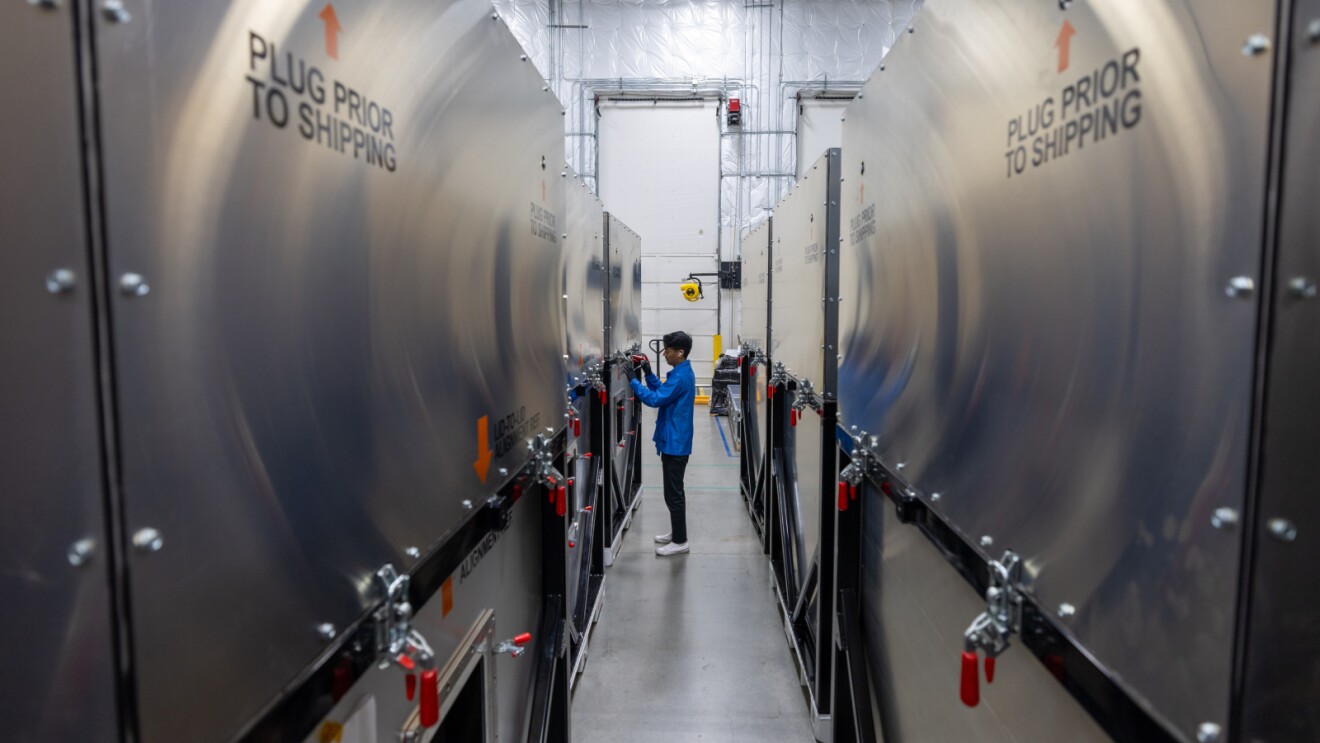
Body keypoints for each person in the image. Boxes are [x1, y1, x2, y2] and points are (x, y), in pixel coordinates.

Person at [631, 331, 696, 556]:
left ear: (680, 352)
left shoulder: (680, 377)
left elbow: (655, 399)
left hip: (676, 444)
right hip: (673, 441)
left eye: (667, 351)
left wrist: (632, 381)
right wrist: (648, 373)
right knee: (673, 492)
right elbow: (662, 391)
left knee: (674, 494)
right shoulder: (680, 373)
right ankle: (677, 533)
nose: (665, 354)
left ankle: (680, 542)